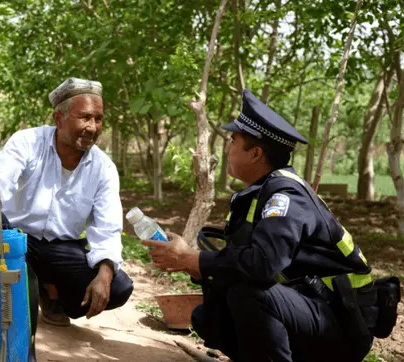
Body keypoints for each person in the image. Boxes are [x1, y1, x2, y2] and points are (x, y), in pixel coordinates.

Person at [142, 89, 378, 362]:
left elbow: (263, 264)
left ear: (255, 154)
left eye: (233, 141)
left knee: (249, 292)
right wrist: (191, 263)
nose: (227, 148)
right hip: (314, 308)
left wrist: (192, 258)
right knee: (208, 316)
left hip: (341, 323)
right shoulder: (260, 191)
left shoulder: (285, 196)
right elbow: (241, 260)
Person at [0, 78, 134, 352]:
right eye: (84, 117)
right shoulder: (28, 142)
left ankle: (54, 295)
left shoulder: (103, 168)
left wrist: (105, 273)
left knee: (118, 287)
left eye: (98, 119)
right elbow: (0, 177)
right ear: (58, 118)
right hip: (17, 236)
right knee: (20, 272)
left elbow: (107, 226)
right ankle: (24, 351)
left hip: (60, 247)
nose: (92, 127)